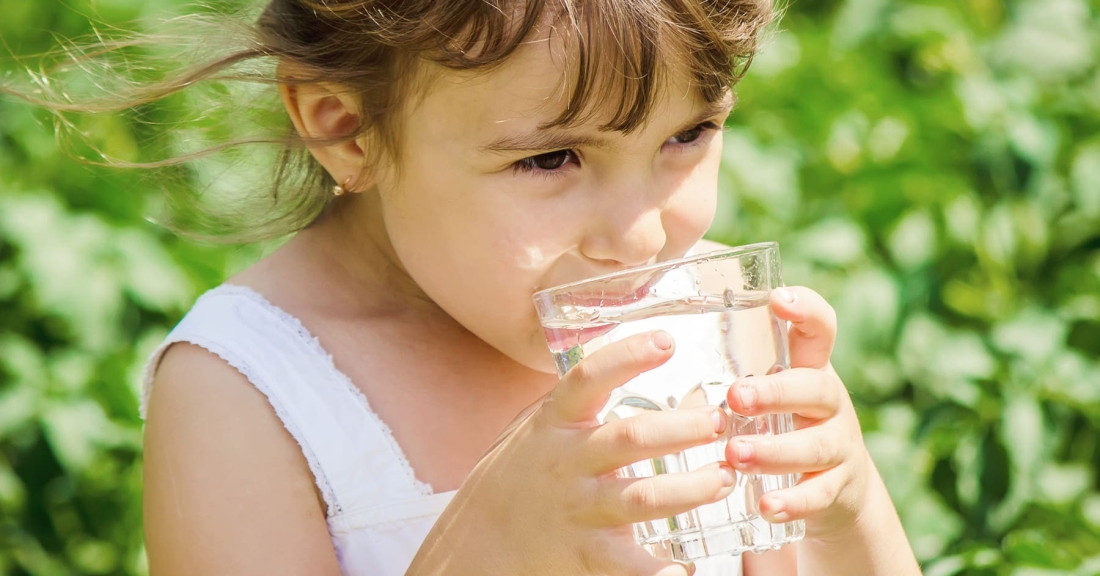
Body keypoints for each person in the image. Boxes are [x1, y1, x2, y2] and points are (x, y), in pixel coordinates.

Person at [14, 0, 922, 574]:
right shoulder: (248, 390)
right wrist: (491, 547)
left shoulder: (702, 315)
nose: (639, 237)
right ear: (347, 128)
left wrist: (844, 513)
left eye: (687, 137)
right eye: (553, 158)